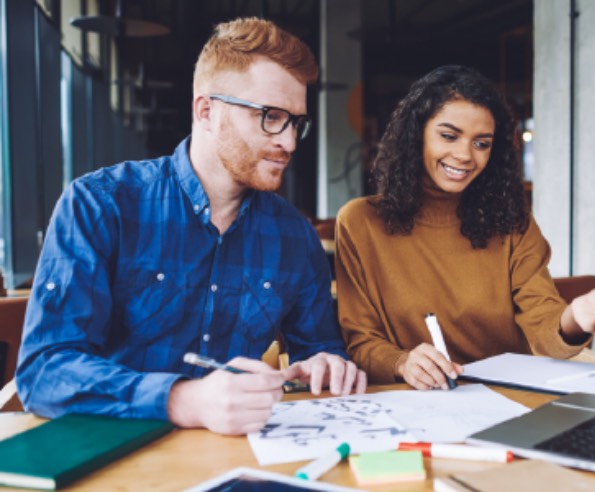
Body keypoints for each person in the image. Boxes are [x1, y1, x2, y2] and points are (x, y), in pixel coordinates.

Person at [16, 17, 366, 435]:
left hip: (239, 457)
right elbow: (45, 370)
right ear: (206, 111)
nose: (289, 142)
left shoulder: (294, 234)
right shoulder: (100, 204)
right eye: (271, 117)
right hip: (112, 455)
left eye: (296, 123)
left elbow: (320, 349)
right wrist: (183, 400)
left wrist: (328, 364)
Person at [335, 65, 595, 391]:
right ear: (416, 134)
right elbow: (360, 341)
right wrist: (402, 362)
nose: (465, 155)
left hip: (510, 399)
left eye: (481, 143)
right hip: (414, 403)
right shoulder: (360, 222)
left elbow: (543, 322)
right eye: (449, 136)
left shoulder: (510, 221)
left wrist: (578, 315)